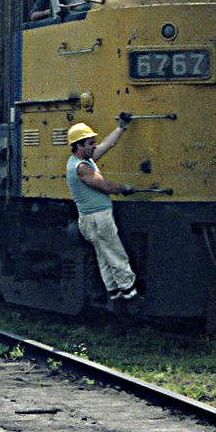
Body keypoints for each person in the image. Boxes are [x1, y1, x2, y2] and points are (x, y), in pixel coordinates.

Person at [65, 116, 138, 301]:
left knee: (104, 257)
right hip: (97, 219)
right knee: (116, 254)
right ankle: (130, 294)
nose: (95, 146)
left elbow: (107, 145)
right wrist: (124, 188)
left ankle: (114, 294)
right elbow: (104, 186)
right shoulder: (81, 167)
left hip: (92, 219)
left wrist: (121, 128)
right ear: (79, 146)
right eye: (91, 143)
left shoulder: (84, 160)